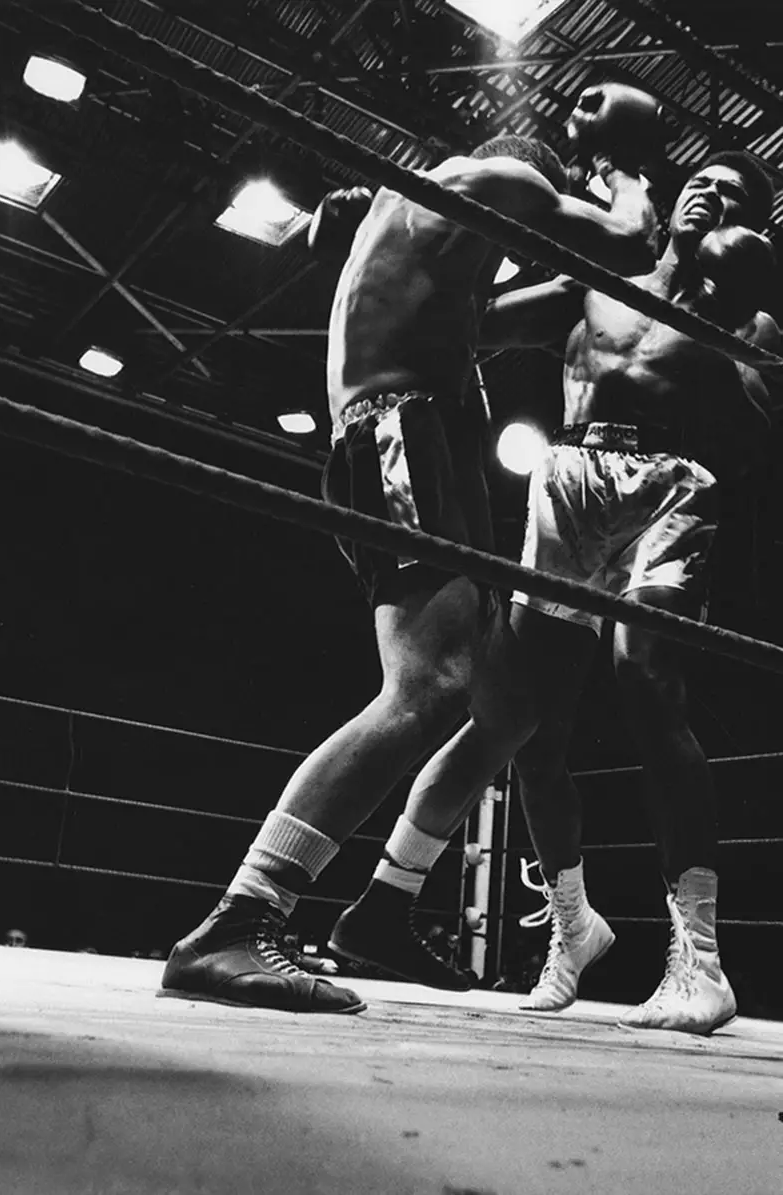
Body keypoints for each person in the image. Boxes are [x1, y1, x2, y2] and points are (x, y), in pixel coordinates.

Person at [159, 84, 660, 1014]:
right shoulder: (493, 175)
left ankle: (381, 910)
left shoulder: (436, 237)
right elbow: (624, 243)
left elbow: (541, 303)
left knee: (506, 703)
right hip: (402, 436)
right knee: (426, 687)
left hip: (425, 444)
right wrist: (627, 171)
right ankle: (239, 916)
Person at [363, 149, 778, 1034]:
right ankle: (573, 924)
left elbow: (759, 430)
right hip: (569, 478)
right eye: (702, 179)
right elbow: (466, 320)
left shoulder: (756, 314)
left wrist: (730, 326)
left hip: (671, 485)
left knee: (645, 680)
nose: (713, 191)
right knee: (524, 725)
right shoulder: (593, 279)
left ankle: (699, 959)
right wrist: (387, 232)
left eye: (737, 191)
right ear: (671, 203)